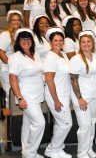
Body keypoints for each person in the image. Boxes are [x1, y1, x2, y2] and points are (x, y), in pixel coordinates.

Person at [9, 28, 45, 158]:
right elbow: (13, 79)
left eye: (28, 38)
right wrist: (20, 98)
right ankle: (30, 153)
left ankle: (27, 150)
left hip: (38, 94)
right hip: (26, 96)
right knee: (40, 123)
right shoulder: (15, 57)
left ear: (32, 40)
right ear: (18, 41)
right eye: (22, 39)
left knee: (28, 123)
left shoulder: (35, 54)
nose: (26, 41)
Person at [69, 30, 96, 158]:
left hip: (94, 94)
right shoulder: (76, 59)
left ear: (92, 43)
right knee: (85, 125)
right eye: (83, 42)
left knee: (92, 121)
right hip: (81, 96)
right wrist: (80, 98)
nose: (86, 44)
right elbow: (73, 79)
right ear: (80, 44)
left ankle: (89, 148)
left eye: (88, 41)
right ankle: (82, 152)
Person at [43, 27, 72, 158]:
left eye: (61, 40)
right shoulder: (50, 57)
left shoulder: (63, 54)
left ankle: (58, 148)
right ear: (50, 42)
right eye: (55, 41)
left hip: (64, 93)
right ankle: (51, 149)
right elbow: (49, 80)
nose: (58, 43)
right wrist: (56, 100)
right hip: (55, 95)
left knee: (60, 123)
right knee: (66, 123)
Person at [0, 10, 23, 108]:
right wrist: (11, 66)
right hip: (7, 69)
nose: (16, 22)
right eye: (13, 20)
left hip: (19, 68)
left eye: (18, 20)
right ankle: (9, 119)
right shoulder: (5, 35)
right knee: (9, 92)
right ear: (9, 22)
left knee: (19, 91)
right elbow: (1, 53)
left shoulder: (21, 34)